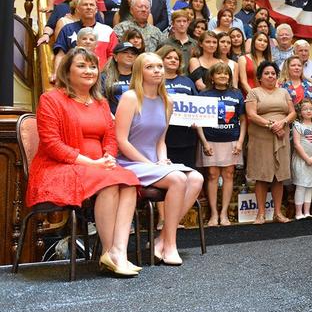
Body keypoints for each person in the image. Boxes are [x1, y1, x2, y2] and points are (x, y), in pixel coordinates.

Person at [27, 48, 140, 277]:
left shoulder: (100, 102)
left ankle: (118, 251)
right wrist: (90, 162)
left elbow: (110, 136)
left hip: (98, 166)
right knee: (110, 181)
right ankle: (109, 251)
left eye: (92, 66)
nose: (89, 71)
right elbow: (52, 144)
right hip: (58, 168)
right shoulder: (51, 99)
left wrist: (108, 155)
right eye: (81, 66)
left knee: (128, 180)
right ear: (67, 71)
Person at [115, 53, 203, 266]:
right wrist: (149, 163)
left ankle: (161, 239)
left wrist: (162, 160)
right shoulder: (130, 98)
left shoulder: (167, 101)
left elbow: (160, 141)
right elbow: (121, 141)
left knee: (197, 178)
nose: (157, 70)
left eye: (159, 66)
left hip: (155, 163)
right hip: (130, 162)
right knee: (178, 179)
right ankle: (170, 244)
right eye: (150, 67)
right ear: (139, 72)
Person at [245, 60, 295, 224]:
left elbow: (292, 113)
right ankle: (260, 214)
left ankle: (278, 213)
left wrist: (284, 123)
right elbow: (251, 115)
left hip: (281, 136)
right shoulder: (253, 92)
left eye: (273, 73)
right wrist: (273, 125)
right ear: (260, 77)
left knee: (279, 176)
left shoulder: (284, 92)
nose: (270, 76)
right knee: (262, 175)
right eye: (266, 73)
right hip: (261, 137)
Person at [197, 62, 246, 227]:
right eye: (219, 73)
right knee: (211, 175)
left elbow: (243, 120)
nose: (223, 76)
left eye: (226, 74)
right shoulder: (204, 95)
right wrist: (204, 143)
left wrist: (240, 141)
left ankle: (224, 213)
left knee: (229, 174)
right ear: (212, 77)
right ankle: (213, 214)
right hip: (210, 140)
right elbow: (199, 122)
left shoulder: (237, 94)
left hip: (232, 139)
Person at [157, 44, 201, 171]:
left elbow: (197, 105)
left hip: (186, 137)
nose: (173, 60)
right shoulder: (155, 80)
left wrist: (197, 120)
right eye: (169, 57)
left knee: (187, 173)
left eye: (176, 59)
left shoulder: (187, 81)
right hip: (161, 136)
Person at [52, 0, 117, 73]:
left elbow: (112, 56)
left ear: (96, 10)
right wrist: (56, 73)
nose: (89, 7)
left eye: (92, 5)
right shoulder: (67, 29)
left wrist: (102, 74)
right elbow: (60, 55)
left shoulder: (108, 30)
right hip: (73, 76)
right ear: (78, 9)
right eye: (85, 5)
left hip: (102, 76)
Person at [291, 99, 312, 220]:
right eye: (305, 109)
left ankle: (307, 212)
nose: (308, 111)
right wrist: (306, 158)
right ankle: (299, 212)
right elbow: (297, 144)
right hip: (301, 161)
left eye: (310, 109)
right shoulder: (298, 125)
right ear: (300, 112)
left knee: (309, 186)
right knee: (301, 186)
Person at [101, 42, 139, 114]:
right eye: (125, 52)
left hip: (137, 120)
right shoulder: (104, 77)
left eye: (133, 53)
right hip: (112, 119)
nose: (130, 55)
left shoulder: (141, 77)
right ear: (115, 57)